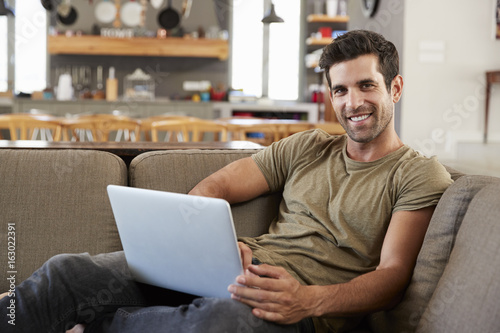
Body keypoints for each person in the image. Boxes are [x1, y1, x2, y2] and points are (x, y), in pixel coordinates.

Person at [0, 30, 452, 333]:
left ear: (394, 88)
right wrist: (216, 249)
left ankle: (97, 322)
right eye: (340, 90)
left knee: (214, 322)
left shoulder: (416, 172)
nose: (353, 102)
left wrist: (308, 300)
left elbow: (392, 276)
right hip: (230, 273)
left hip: (295, 306)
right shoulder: (306, 146)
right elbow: (212, 188)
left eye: (366, 86)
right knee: (68, 271)